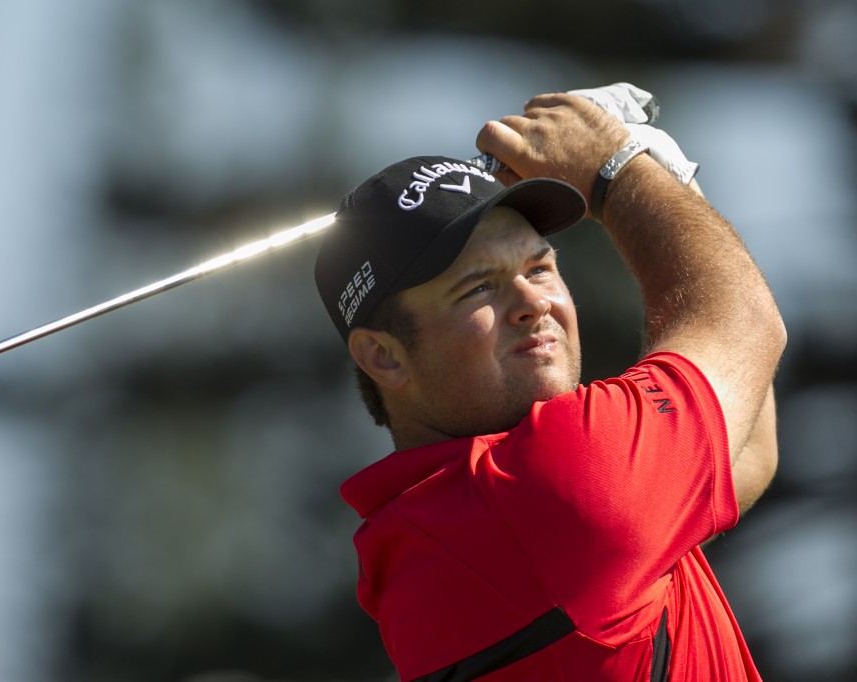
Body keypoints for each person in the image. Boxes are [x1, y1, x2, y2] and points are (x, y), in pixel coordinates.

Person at [313, 86, 785, 681]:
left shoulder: (426, 535)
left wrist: (666, 182)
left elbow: (746, 450)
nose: (532, 302)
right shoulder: (546, 485)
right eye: (478, 288)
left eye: (539, 268)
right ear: (383, 356)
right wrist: (618, 168)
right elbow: (744, 325)